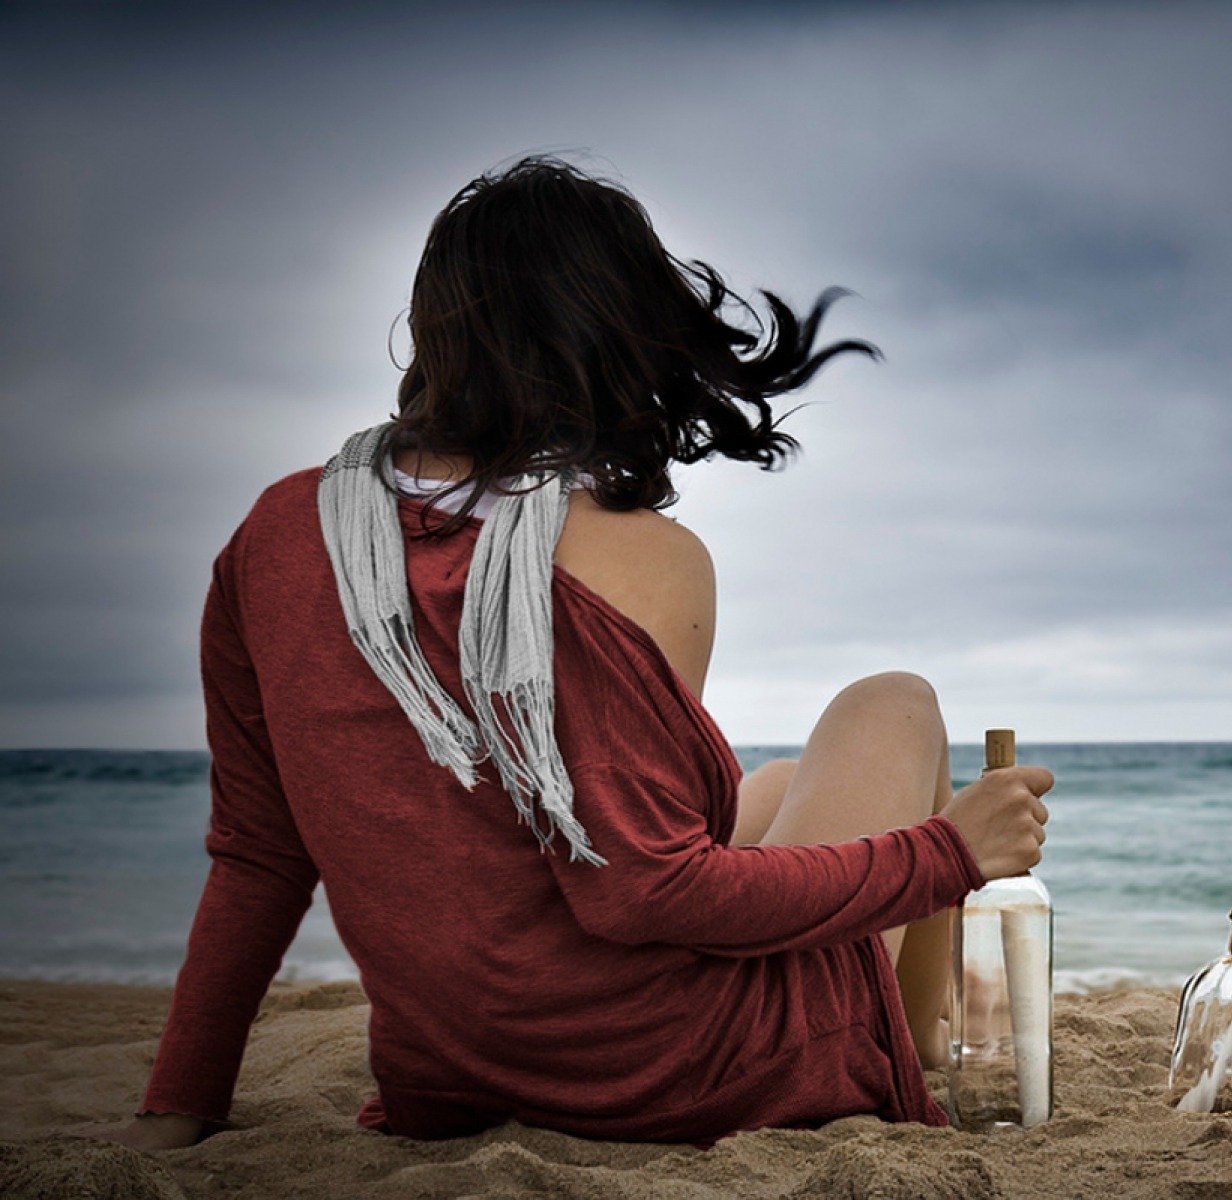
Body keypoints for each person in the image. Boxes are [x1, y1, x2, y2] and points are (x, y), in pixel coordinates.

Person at [101, 155, 1052, 1152]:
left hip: (449, 1074)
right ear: (622, 329)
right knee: (893, 704)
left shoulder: (278, 536)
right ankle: (905, 1042)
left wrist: (178, 1106)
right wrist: (951, 852)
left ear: (433, 329)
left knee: (771, 788)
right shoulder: (632, 553)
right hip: (663, 1070)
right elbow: (649, 890)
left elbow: (260, 853)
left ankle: (905, 1035)